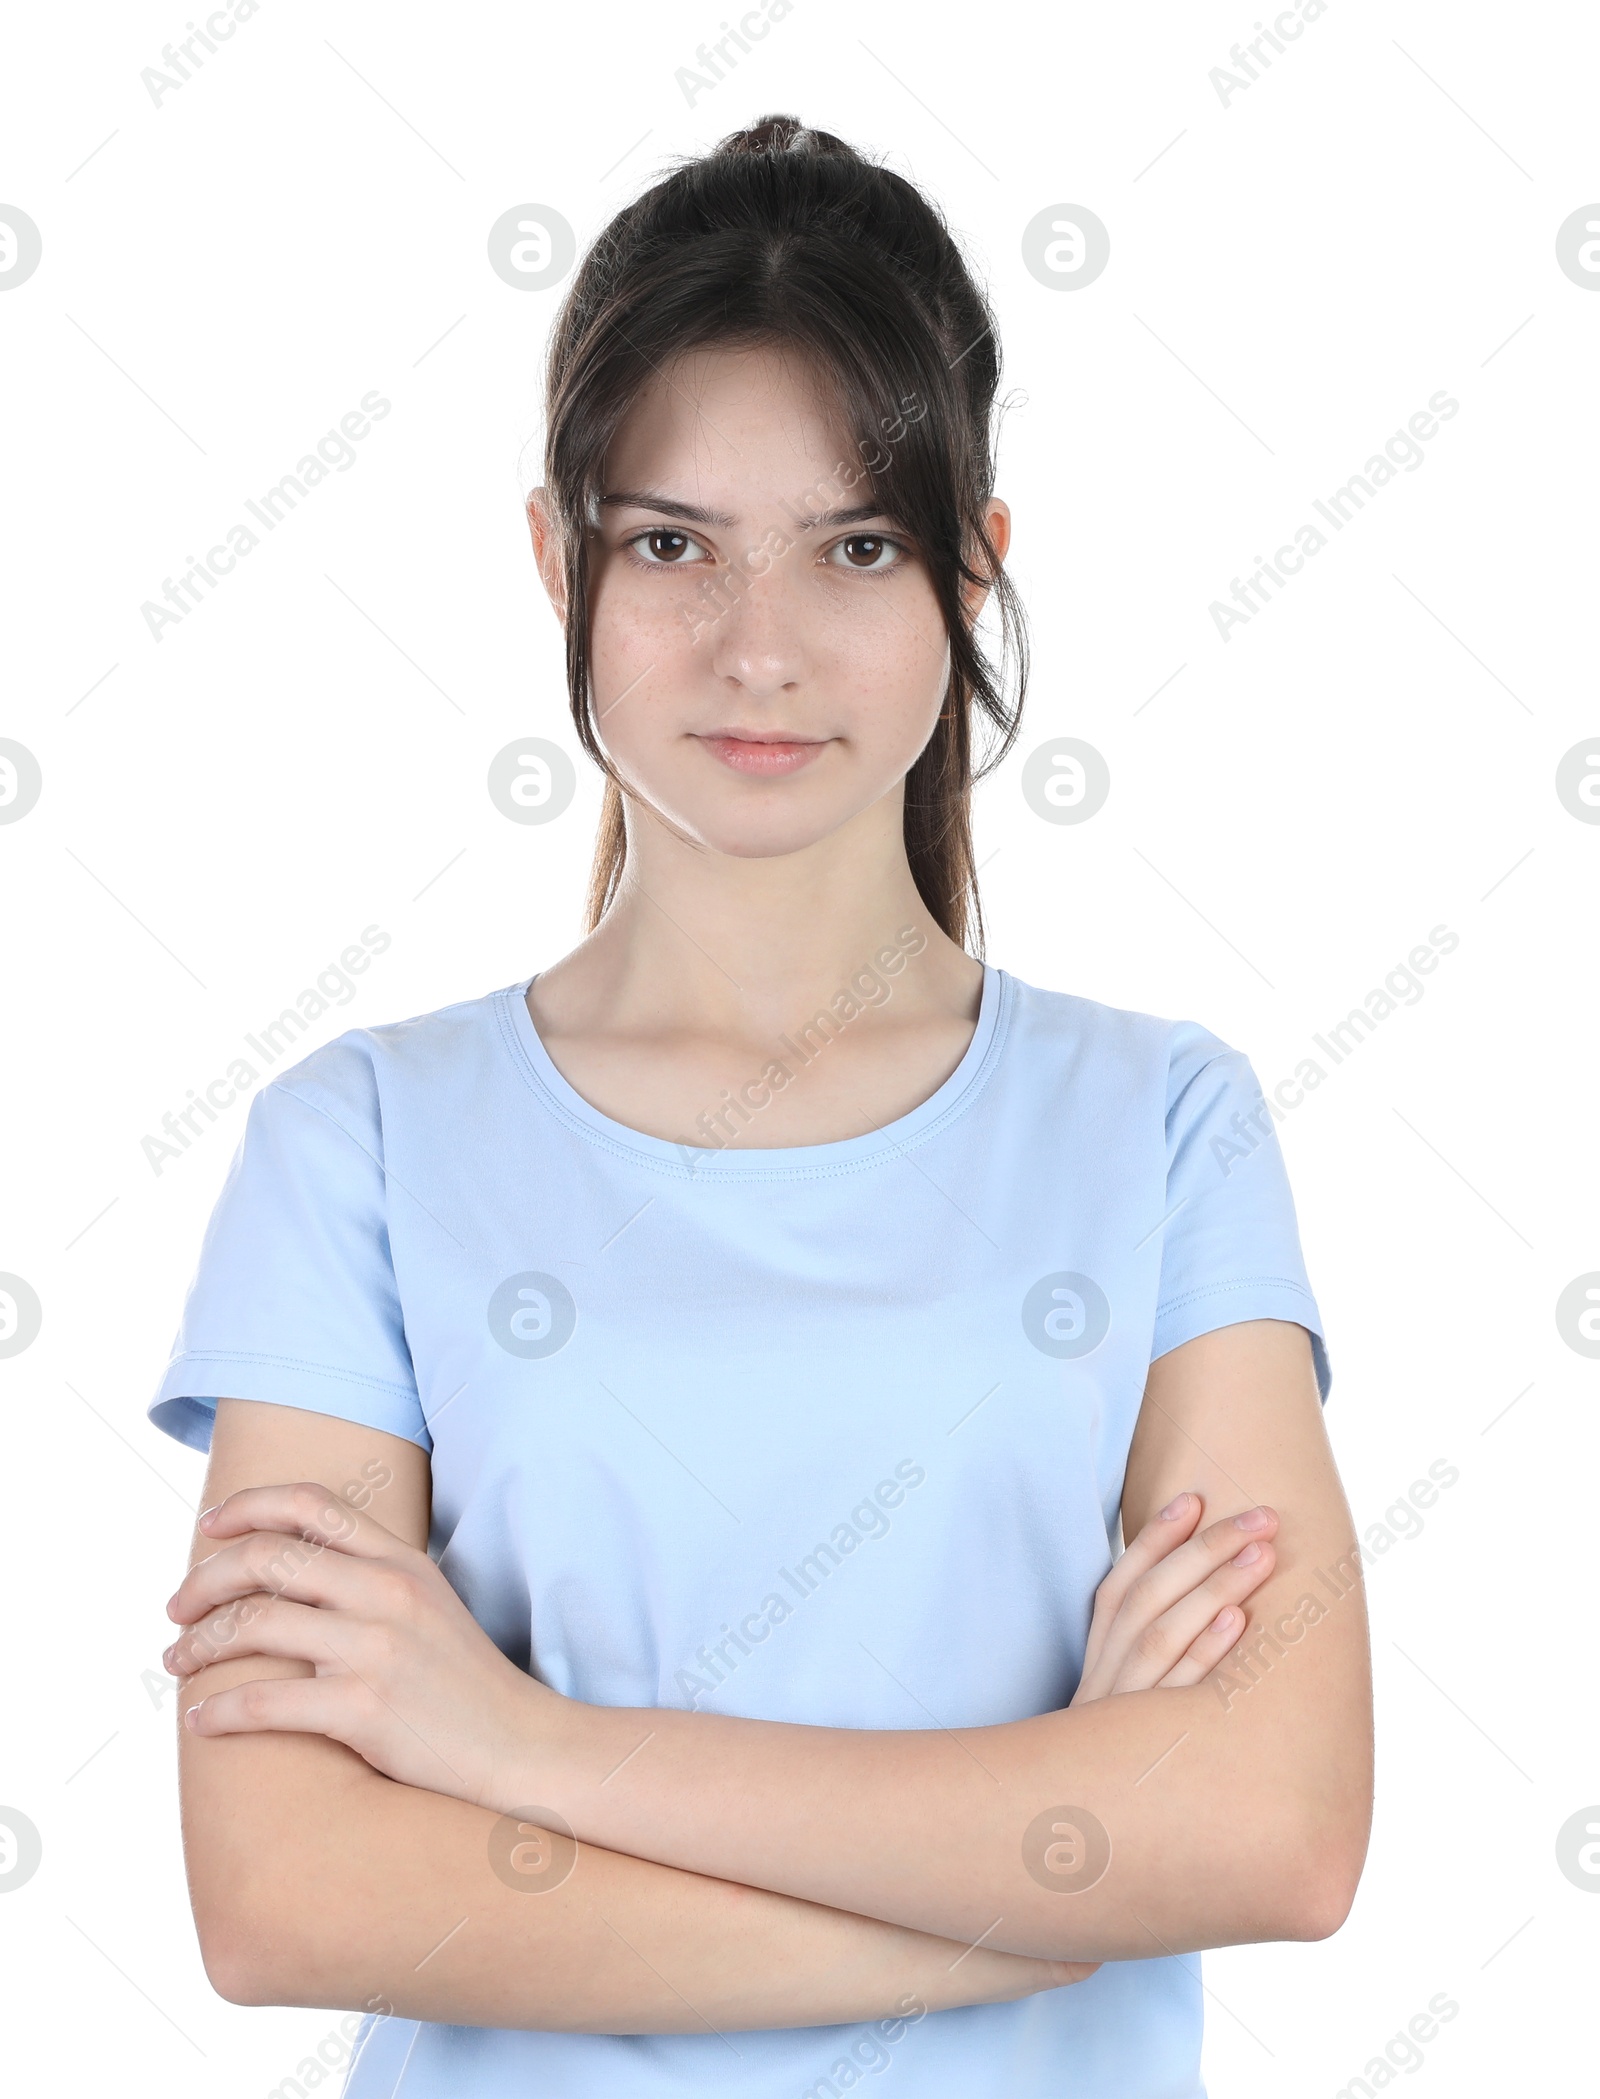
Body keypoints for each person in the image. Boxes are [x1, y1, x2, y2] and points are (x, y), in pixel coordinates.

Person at [149, 114, 1373, 2099]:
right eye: (669, 545)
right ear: (558, 559)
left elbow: (1272, 1835)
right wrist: (1048, 1884)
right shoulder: (357, 1143)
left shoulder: (1161, 1126)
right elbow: (287, 1892)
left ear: (972, 568)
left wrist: (509, 1743)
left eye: (856, 544)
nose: (760, 648)